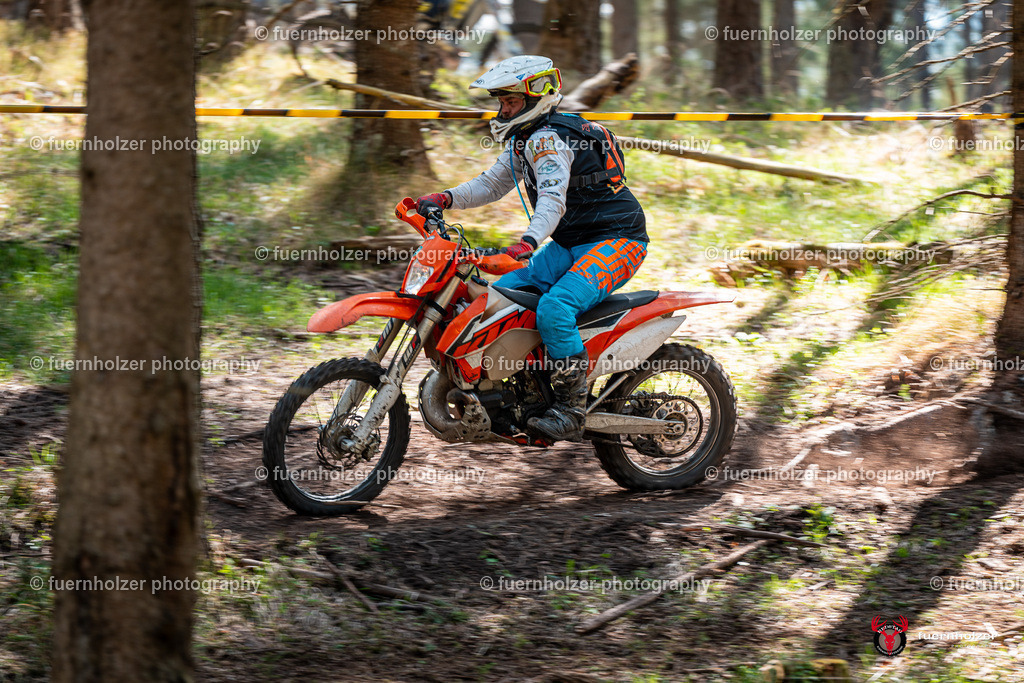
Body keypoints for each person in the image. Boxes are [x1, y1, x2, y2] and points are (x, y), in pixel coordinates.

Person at [415, 55, 648, 443]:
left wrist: (528, 242)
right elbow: (490, 184)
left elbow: (553, 200)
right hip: (572, 244)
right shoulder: (526, 137)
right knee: (502, 293)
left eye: (510, 102)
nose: (503, 109)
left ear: (536, 96)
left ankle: (571, 408)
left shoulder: (549, 139)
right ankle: (526, 385)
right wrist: (444, 198)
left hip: (619, 240)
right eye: (501, 102)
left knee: (556, 308)